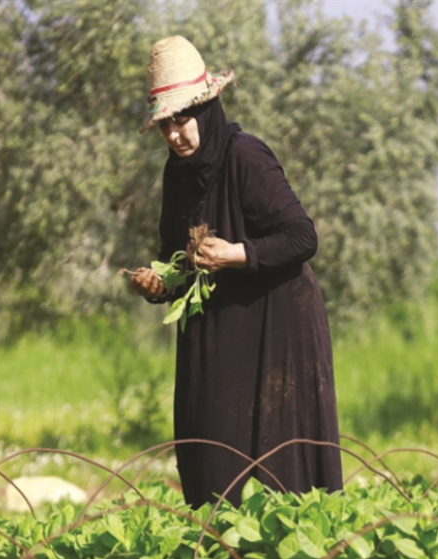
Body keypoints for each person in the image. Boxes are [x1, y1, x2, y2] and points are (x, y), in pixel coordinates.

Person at [128, 36, 343, 508]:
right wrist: (159, 284)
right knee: (212, 454)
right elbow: (177, 256)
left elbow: (303, 237)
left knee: (278, 463)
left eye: (181, 121)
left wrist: (237, 254)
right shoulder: (177, 174)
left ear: (205, 110)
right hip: (218, 331)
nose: (174, 135)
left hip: (278, 326)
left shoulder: (245, 156)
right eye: (164, 126)